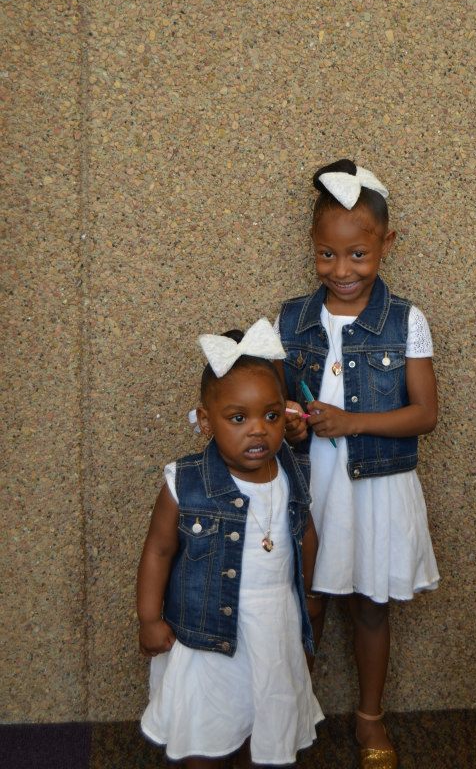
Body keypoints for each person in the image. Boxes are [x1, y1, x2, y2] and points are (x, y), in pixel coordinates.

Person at [276, 159, 439, 769]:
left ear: (386, 245)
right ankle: (291, 711)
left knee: (371, 605)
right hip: (311, 484)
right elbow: (278, 406)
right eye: (327, 254)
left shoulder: (405, 320)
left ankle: (370, 714)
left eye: (358, 255)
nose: (341, 270)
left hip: (377, 489)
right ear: (313, 248)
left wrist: (353, 422)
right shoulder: (291, 319)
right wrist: (292, 422)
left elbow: (424, 414)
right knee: (308, 601)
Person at [137, 318, 323, 768]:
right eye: (238, 418)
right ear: (206, 421)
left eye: (270, 416)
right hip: (206, 633)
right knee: (208, 726)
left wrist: (310, 597)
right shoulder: (185, 482)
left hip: (274, 624)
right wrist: (149, 617)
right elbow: (158, 551)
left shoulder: (291, 471)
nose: (257, 430)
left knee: (264, 720)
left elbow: (305, 532)